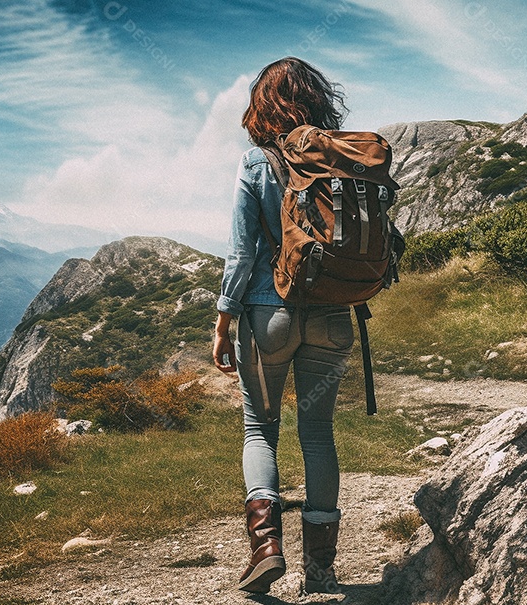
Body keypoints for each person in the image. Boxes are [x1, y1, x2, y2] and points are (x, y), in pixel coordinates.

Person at [212, 57, 353, 596]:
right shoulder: (342, 159)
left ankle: (267, 551)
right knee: (317, 432)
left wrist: (224, 321)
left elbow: (241, 254)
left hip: (269, 315)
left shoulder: (256, 163)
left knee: (259, 430)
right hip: (334, 315)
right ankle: (322, 568)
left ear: (263, 106)